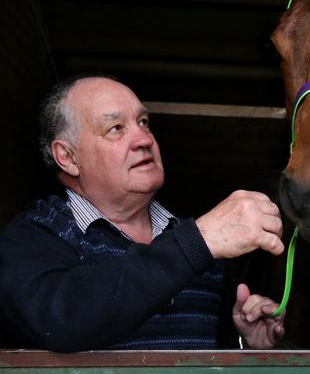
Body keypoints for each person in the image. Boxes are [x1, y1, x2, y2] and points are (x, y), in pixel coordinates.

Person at [0, 75, 285, 352]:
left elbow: (209, 358)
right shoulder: (33, 236)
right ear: (68, 157)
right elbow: (59, 322)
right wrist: (196, 243)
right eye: (115, 128)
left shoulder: (199, 241)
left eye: (143, 122)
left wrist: (243, 342)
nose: (143, 139)